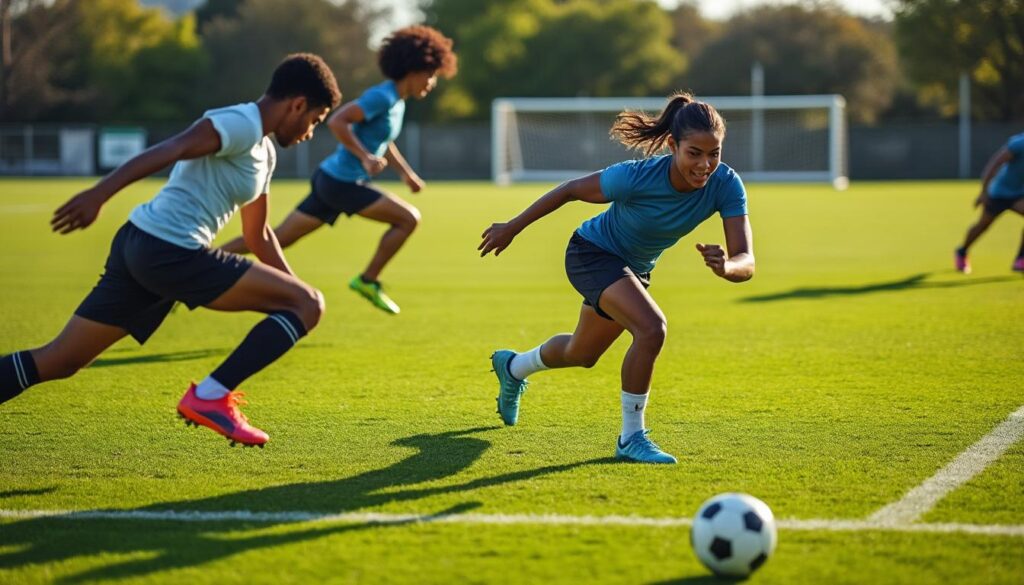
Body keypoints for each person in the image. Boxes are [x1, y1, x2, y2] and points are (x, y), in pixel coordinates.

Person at [0, 53, 342, 448]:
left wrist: (294, 289)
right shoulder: (239, 122)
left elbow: (258, 234)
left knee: (60, 360)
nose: (311, 132)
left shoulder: (264, 151)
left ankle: (213, 394)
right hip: (168, 250)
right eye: (315, 120)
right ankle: (211, 397)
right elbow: (172, 148)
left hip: (143, 245)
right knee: (308, 304)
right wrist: (99, 194)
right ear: (297, 104)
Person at [479, 93, 755, 464]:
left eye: (714, 153)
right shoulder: (636, 177)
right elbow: (571, 190)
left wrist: (726, 268)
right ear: (673, 145)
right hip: (590, 253)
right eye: (694, 153)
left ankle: (512, 367)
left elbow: (746, 260)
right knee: (652, 328)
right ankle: (631, 438)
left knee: (583, 353)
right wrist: (512, 227)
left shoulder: (726, 184)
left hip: (633, 268)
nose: (705, 165)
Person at [221, 25, 458, 315]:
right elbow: (338, 121)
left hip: (331, 180)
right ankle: (368, 280)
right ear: (414, 69)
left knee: (279, 237)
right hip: (341, 183)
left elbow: (385, 140)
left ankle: (209, 258)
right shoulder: (381, 97)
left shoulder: (396, 103)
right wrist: (365, 157)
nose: (432, 83)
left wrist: (406, 173)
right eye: (431, 75)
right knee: (408, 219)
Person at [955, 133, 1024, 274]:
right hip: (999, 193)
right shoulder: (1019, 144)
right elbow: (994, 164)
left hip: (1019, 194)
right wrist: (984, 192)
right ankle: (962, 251)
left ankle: (1021, 259)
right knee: (983, 225)